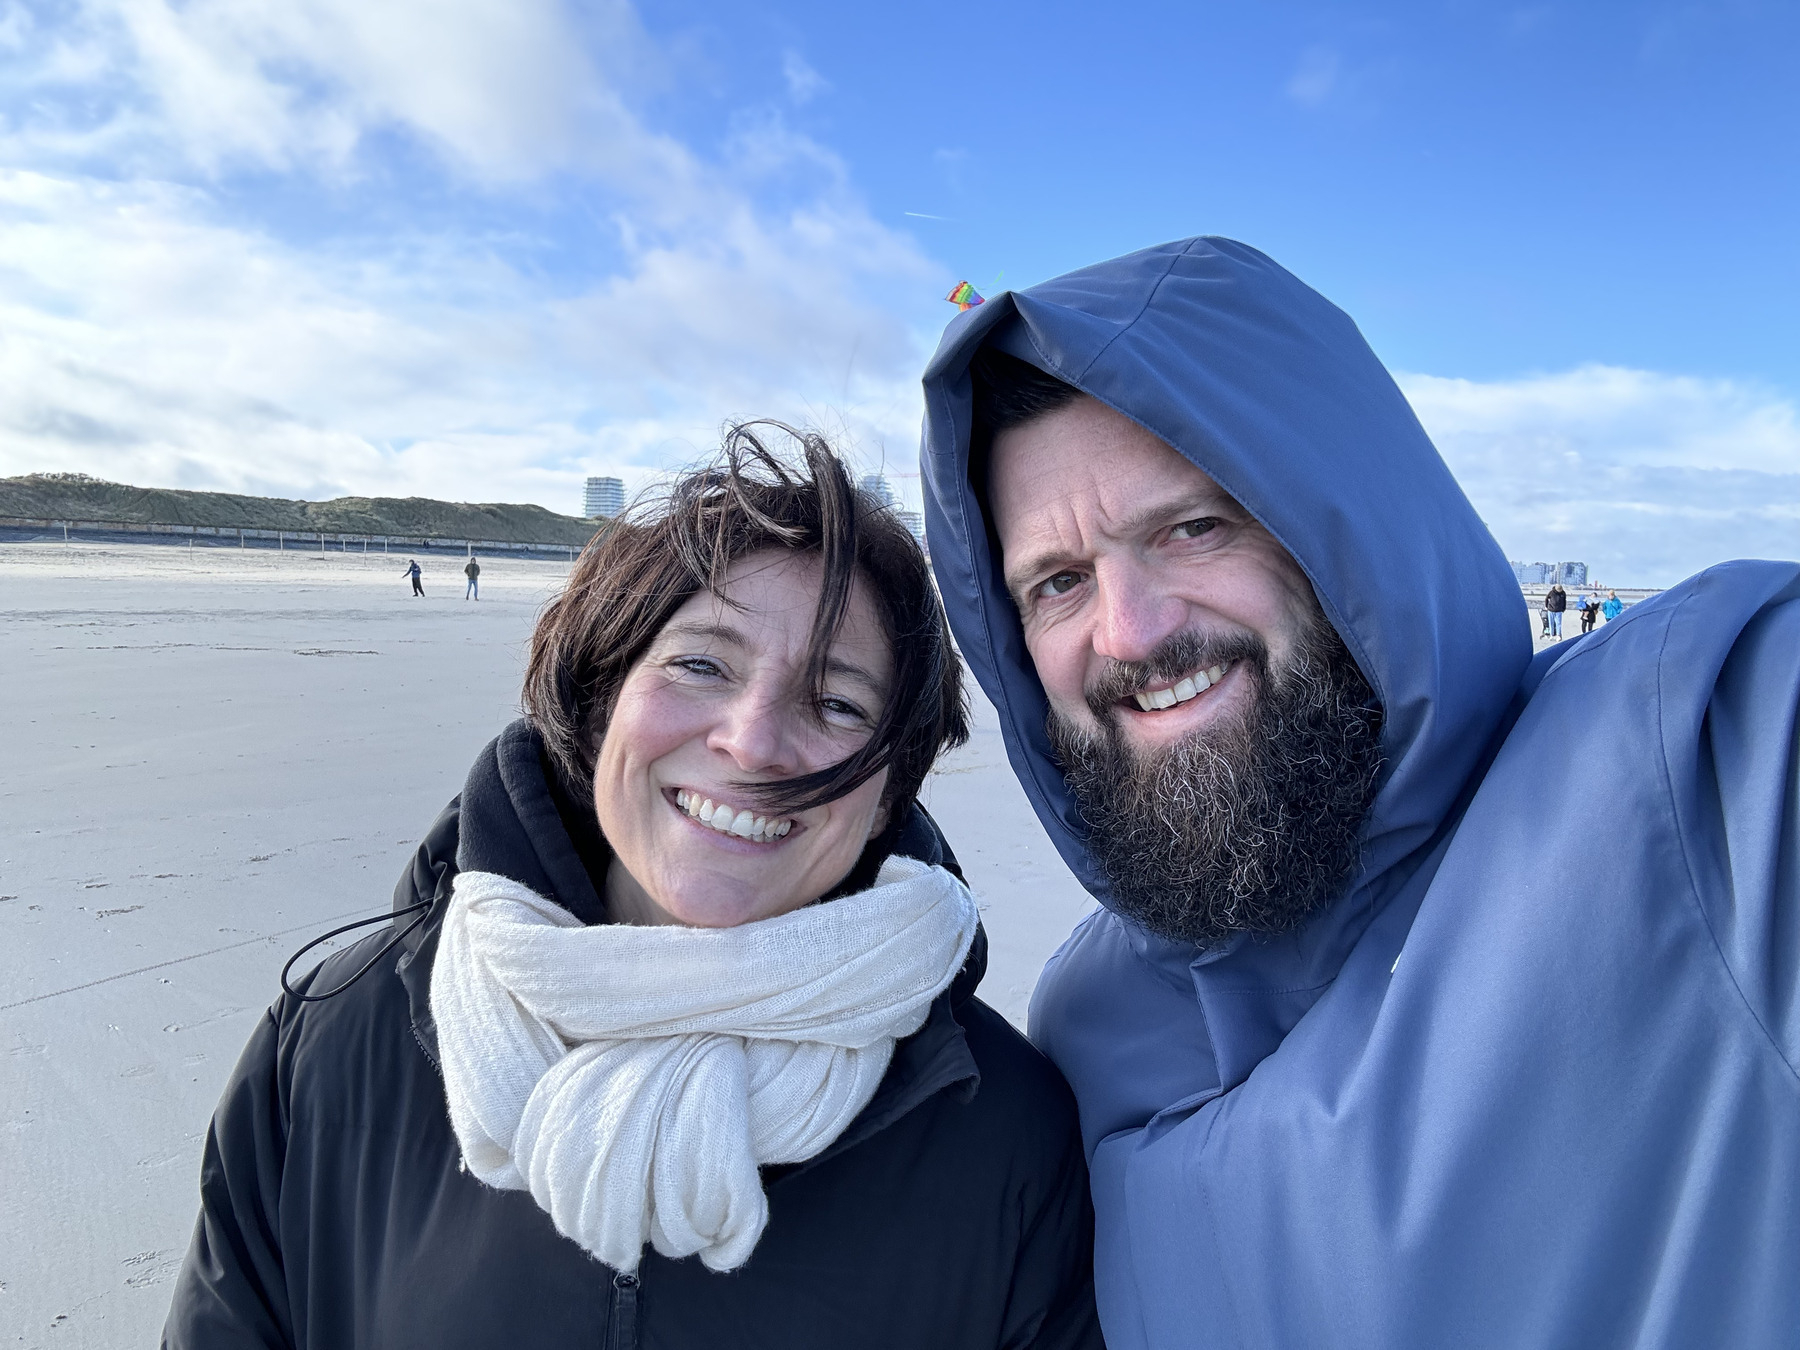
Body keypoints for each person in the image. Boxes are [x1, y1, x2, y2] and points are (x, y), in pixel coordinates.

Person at [918, 237, 1800, 1347]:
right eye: (1057, 583)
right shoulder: (1085, 1024)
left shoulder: (1706, 746)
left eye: (1194, 526)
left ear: (1345, 518)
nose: (1130, 631)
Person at [164, 426, 1102, 1350]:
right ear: (599, 693)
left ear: (891, 786)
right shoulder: (333, 1044)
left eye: (837, 702)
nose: (753, 740)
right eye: (701, 663)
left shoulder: (1002, 1132)